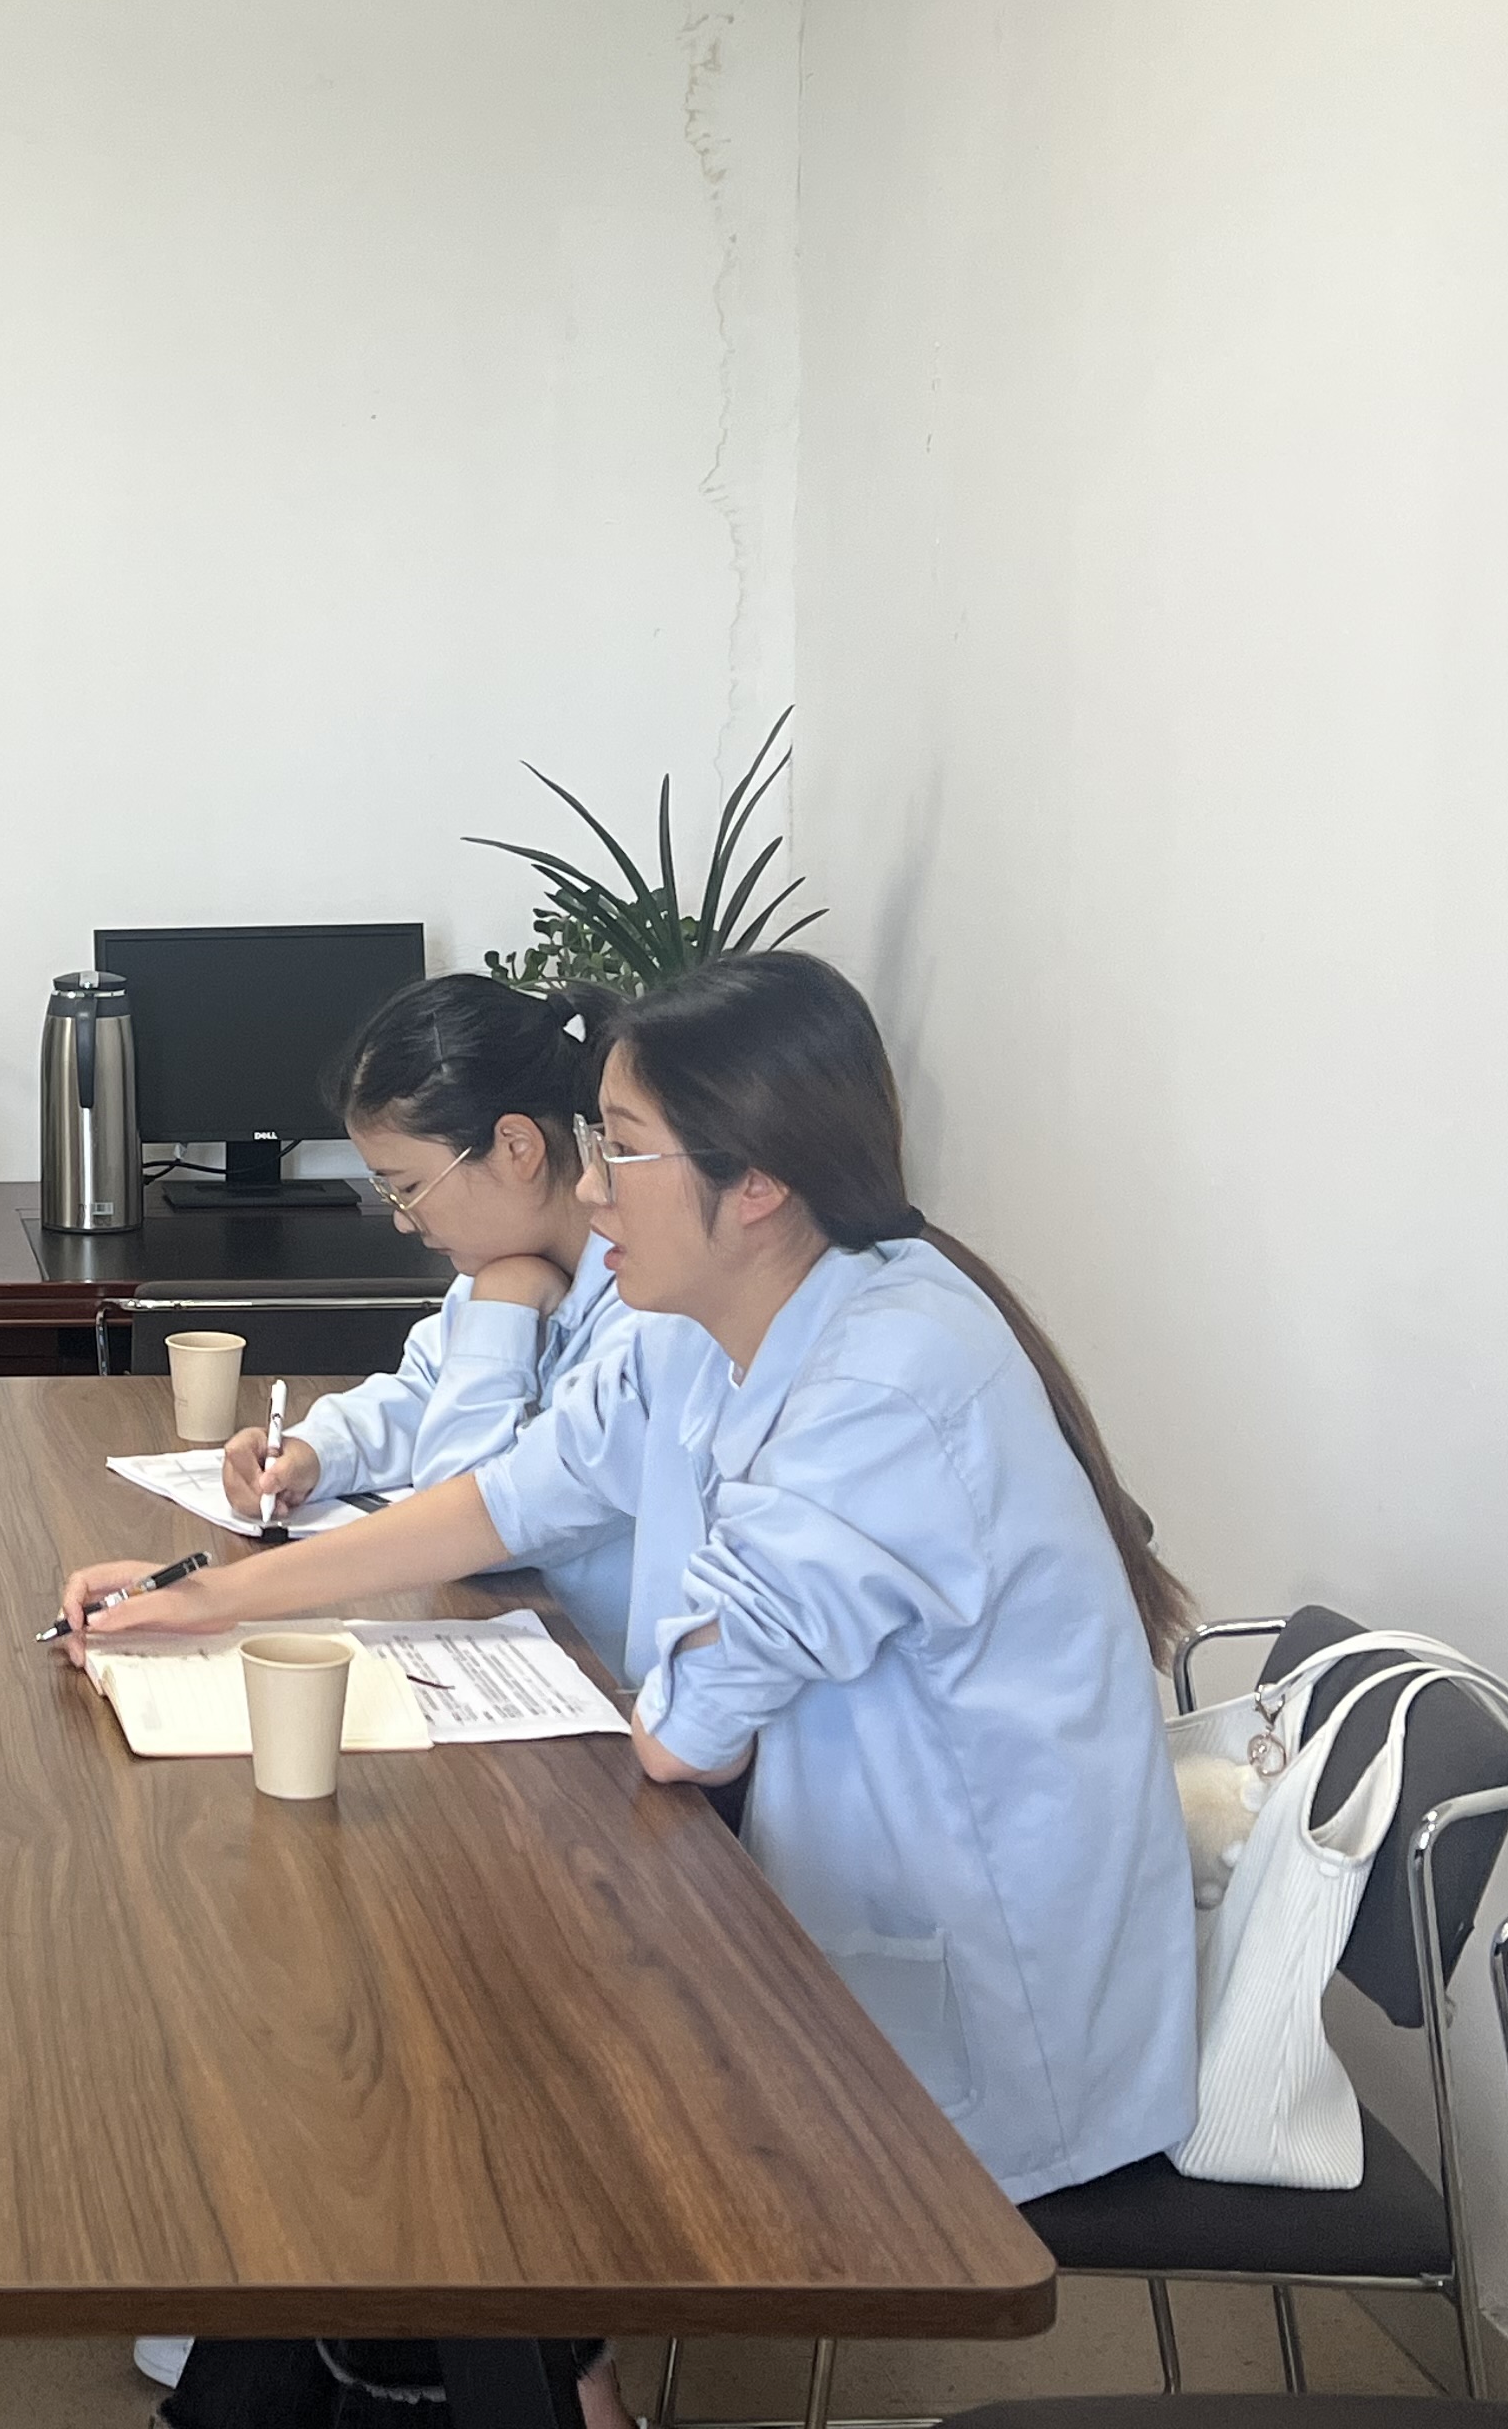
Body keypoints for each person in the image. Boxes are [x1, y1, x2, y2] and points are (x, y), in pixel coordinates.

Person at [65, 949, 1200, 2216]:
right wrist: (210, 1601)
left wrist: (688, 1642)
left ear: (757, 1181)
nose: (591, 1186)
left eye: (622, 1149)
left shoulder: (889, 1380)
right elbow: (505, 1498)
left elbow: (684, 1736)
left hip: (979, 2006)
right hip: (805, 1890)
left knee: (477, 2088)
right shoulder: (706, 1318)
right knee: (440, 2035)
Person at [214, 972, 644, 1676]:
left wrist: (504, 1308)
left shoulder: (645, 1308)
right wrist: (318, 1452)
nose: (402, 1219)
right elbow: (424, 1391)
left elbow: (470, 1502)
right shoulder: (502, 1262)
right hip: (521, 1639)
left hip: (603, 1685)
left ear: (517, 1147)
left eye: (409, 1187)